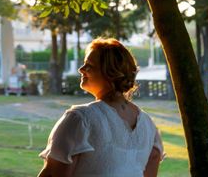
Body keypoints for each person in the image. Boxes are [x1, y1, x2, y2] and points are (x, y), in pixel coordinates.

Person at [38, 38, 164, 177]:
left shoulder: (80, 119)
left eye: (88, 65)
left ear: (110, 73)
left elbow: (52, 174)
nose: (81, 70)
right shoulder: (149, 126)